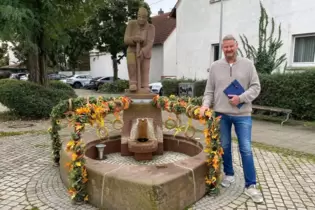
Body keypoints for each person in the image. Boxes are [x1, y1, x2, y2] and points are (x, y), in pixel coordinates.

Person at [200, 34, 263, 203]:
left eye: (231, 46)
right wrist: (205, 105)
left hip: (243, 115)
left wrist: (240, 98)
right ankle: (229, 175)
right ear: (222, 48)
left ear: (237, 46)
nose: (228, 49)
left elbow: (256, 87)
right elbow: (209, 91)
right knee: (225, 146)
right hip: (221, 114)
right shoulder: (215, 66)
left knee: (246, 149)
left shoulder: (248, 65)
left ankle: (251, 185)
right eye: (225, 47)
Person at [124, 7, 155, 92]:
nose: (141, 19)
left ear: (147, 17)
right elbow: (126, 39)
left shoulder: (151, 27)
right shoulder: (131, 24)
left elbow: (150, 42)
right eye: (139, 16)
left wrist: (143, 51)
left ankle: (145, 85)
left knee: (145, 69)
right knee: (131, 62)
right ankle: (133, 83)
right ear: (137, 16)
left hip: (145, 52)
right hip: (132, 50)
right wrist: (134, 39)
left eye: (143, 17)